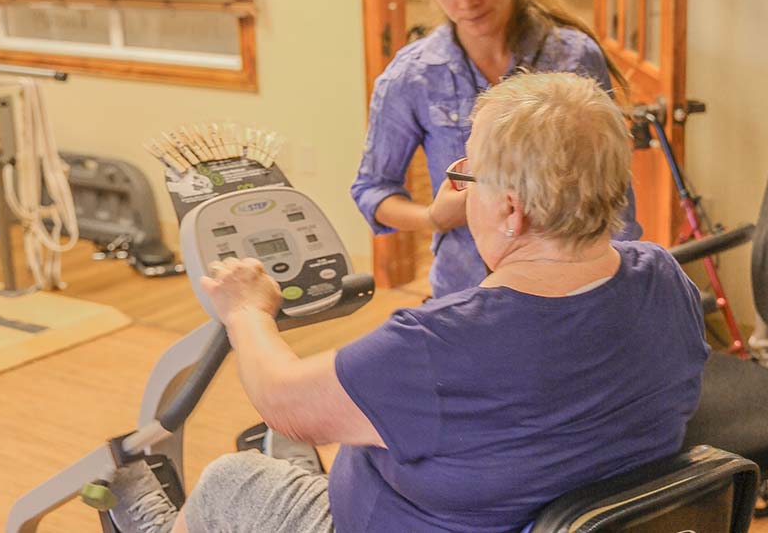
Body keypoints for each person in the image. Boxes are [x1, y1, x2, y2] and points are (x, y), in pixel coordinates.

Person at [108, 72, 708, 533]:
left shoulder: (436, 347)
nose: (461, 189)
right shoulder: (664, 280)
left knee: (229, 480)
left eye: (471, 175)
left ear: (510, 210)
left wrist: (246, 311)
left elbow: (284, 403)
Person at [351, 0, 642, 299]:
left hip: (576, 294)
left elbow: (615, 190)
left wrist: (621, 285)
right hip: (465, 294)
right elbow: (372, 190)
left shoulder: (573, 56)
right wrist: (434, 216)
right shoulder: (412, 76)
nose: (466, 1)